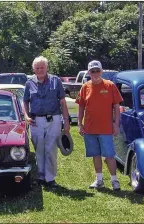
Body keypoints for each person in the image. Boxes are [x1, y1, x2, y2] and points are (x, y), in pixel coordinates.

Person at [23, 56, 71, 188]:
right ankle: (40, 176)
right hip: (36, 120)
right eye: (37, 68)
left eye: (42, 67)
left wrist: (66, 120)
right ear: (33, 69)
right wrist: (26, 116)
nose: (40, 70)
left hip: (54, 119)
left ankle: (50, 178)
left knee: (51, 149)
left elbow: (62, 101)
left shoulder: (56, 81)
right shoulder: (29, 83)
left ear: (47, 68)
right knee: (39, 148)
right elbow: (25, 101)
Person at [75, 60, 123, 191]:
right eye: (92, 71)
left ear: (101, 71)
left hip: (106, 128)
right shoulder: (85, 87)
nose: (95, 73)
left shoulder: (110, 85)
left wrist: (116, 124)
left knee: (109, 155)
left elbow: (116, 106)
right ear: (89, 73)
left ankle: (114, 180)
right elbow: (81, 106)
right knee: (95, 154)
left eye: (97, 71)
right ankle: (99, 179)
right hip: (90, 128)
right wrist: (80, 123)